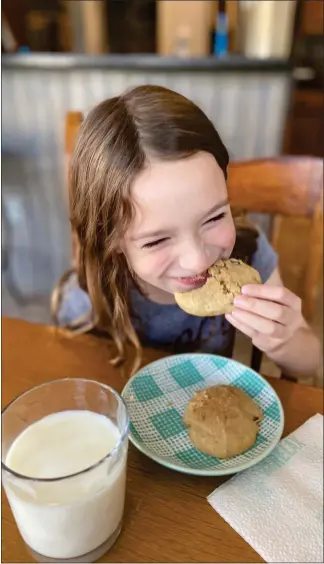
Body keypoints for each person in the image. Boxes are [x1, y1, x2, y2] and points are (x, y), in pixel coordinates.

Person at [53, 85, 320, 377]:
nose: (197, 260)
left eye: (214, 217)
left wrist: (287, 340)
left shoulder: (250, 254)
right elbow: (77, 383)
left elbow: (310, 363)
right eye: (157, 240)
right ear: (111, 238)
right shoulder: (88, 297)